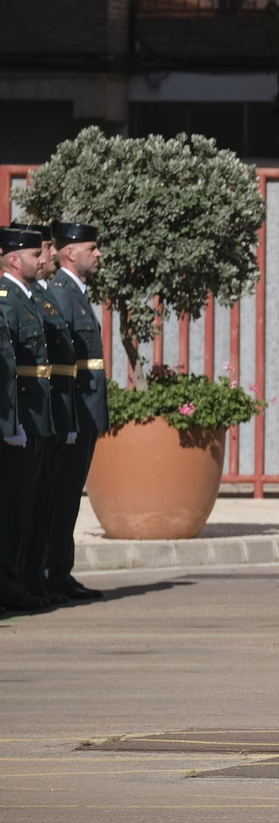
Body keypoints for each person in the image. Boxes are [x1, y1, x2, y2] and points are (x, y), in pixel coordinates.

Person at [34, 222, 106, 601]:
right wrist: (72, 421)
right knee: (60, 497)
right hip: (73, 415)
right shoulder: (61, 294)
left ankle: (60, 571)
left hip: (85, 414)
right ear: (70, 253)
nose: (99, 254)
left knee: (68, 497)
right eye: (92, 248)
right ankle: (51, 573)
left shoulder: (75, 293)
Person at [0, 226, 57, 611]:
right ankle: (10, 583)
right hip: (19, 414)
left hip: (35, 414)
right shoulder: (7, 300)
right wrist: (13, 421)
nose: (43, 259)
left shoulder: (30, 298)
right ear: (15, 259)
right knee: (13, 508)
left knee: (27, 506)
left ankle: (19, 581)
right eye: (36, 254)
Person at [24, 226, 78, 605]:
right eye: (41, 249)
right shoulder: (20, 297)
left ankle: (38, 577)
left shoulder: (42, 296)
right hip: (30, 414)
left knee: (46, 502)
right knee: (26, 505)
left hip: (49, 412)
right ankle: (28, 578)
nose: (48, 257)